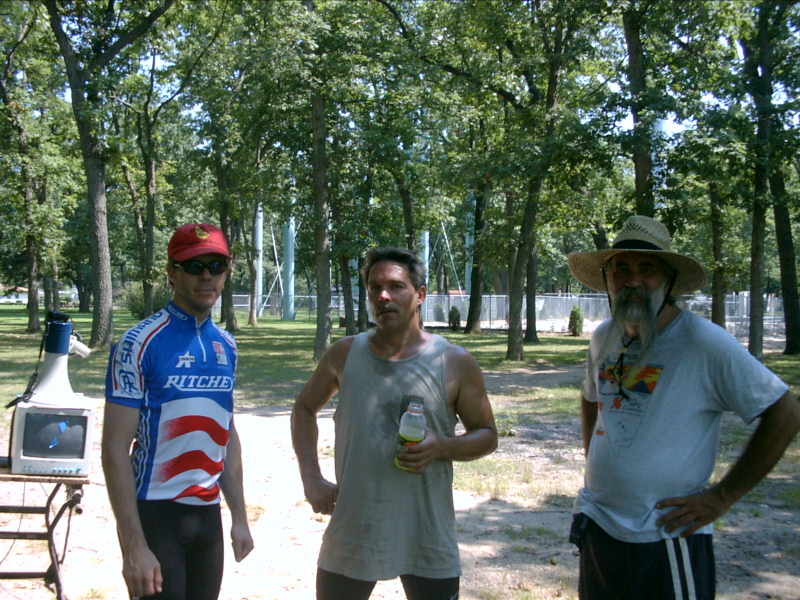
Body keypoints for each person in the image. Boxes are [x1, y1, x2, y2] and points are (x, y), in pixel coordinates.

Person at [566, 215, 800, 600]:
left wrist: (722, 497)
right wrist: (595, 459)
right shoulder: (604, 336)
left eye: (647, 269)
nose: (633, 280)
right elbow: (592, 397)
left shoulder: (703, 343)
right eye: (621, 269)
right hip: (600, 525)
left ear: (669, 280)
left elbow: (786, 412)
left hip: (666, 536)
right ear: (607, 279)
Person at [291, 246, 498, 600]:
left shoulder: (454, 361)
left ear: (420, 295)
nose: (383, 296)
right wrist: (312, 478)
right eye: (375, 288)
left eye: (396, 286)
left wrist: (442, 446)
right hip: (356, 526)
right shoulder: (345, 354)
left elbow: (487, 435)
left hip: (426, 532)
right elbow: (304, 409)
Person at [102, 223, 254, 600]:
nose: (206, 275)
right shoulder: (139, 342)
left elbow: (227, 434)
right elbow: (114, 448)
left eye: (217, 265)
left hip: (207, 516)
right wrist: (133, 546)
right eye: (194, 265)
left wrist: (240, 517)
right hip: (156, 515)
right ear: (172, 273)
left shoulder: (227, 345)